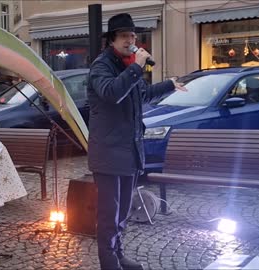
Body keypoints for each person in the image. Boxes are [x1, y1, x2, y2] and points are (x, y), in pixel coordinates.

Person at [87, 13, 187, 270]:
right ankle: (109, 263)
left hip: (128, 152)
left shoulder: (127, 65)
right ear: (112, 40)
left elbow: (142, 95)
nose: (130, 40)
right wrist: (136, 68)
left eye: (132, 36)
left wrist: (169, 85)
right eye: (124, 36)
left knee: (122, 214)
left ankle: (118, 255)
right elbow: (112, 94)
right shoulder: (102, 65)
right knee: (109, 215)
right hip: (108, 153)